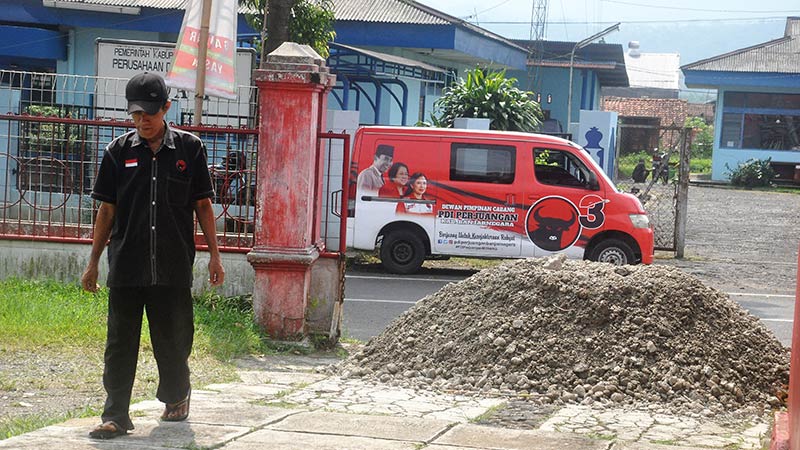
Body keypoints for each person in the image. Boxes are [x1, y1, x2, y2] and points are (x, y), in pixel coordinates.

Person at [81, 72, 225, 440]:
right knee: (119, 342)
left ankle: (177, 395)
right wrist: (94, 261)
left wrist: (215, 255)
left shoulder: (190, 149)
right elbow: (107, 211)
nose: (142, 121)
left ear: (165, 108)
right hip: (127, 263)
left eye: (149, 113)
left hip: (173, 264)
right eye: (135, 115)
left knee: (174, 339)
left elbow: (203, 205)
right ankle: (115, 414)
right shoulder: (118, 152)